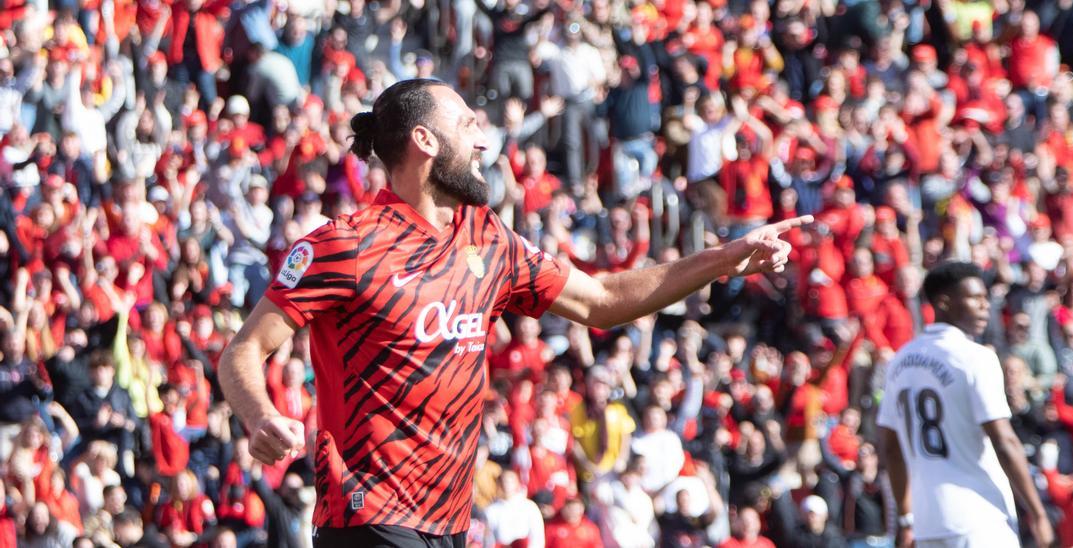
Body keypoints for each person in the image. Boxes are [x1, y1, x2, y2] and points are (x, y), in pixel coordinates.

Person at [217, 78, 811, 547]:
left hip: (451, 522)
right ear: (425, 140)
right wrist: (260, 414)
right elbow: (243, 350)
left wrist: (721, 258)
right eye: (467, 125)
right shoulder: (343, 245)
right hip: (367, 519)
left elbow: (599, 303)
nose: (482, 141)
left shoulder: (489, 238)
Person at [875, 261, 1053, 547]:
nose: (985, 306)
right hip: (979, 518)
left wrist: (906, 517)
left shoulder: (899, 361)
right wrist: (1038, 511)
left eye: (986, 298)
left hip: (928, 523)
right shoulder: (975, 357)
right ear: (944, 302)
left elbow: (891, 447)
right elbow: (1004, 440)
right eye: (975, 298)